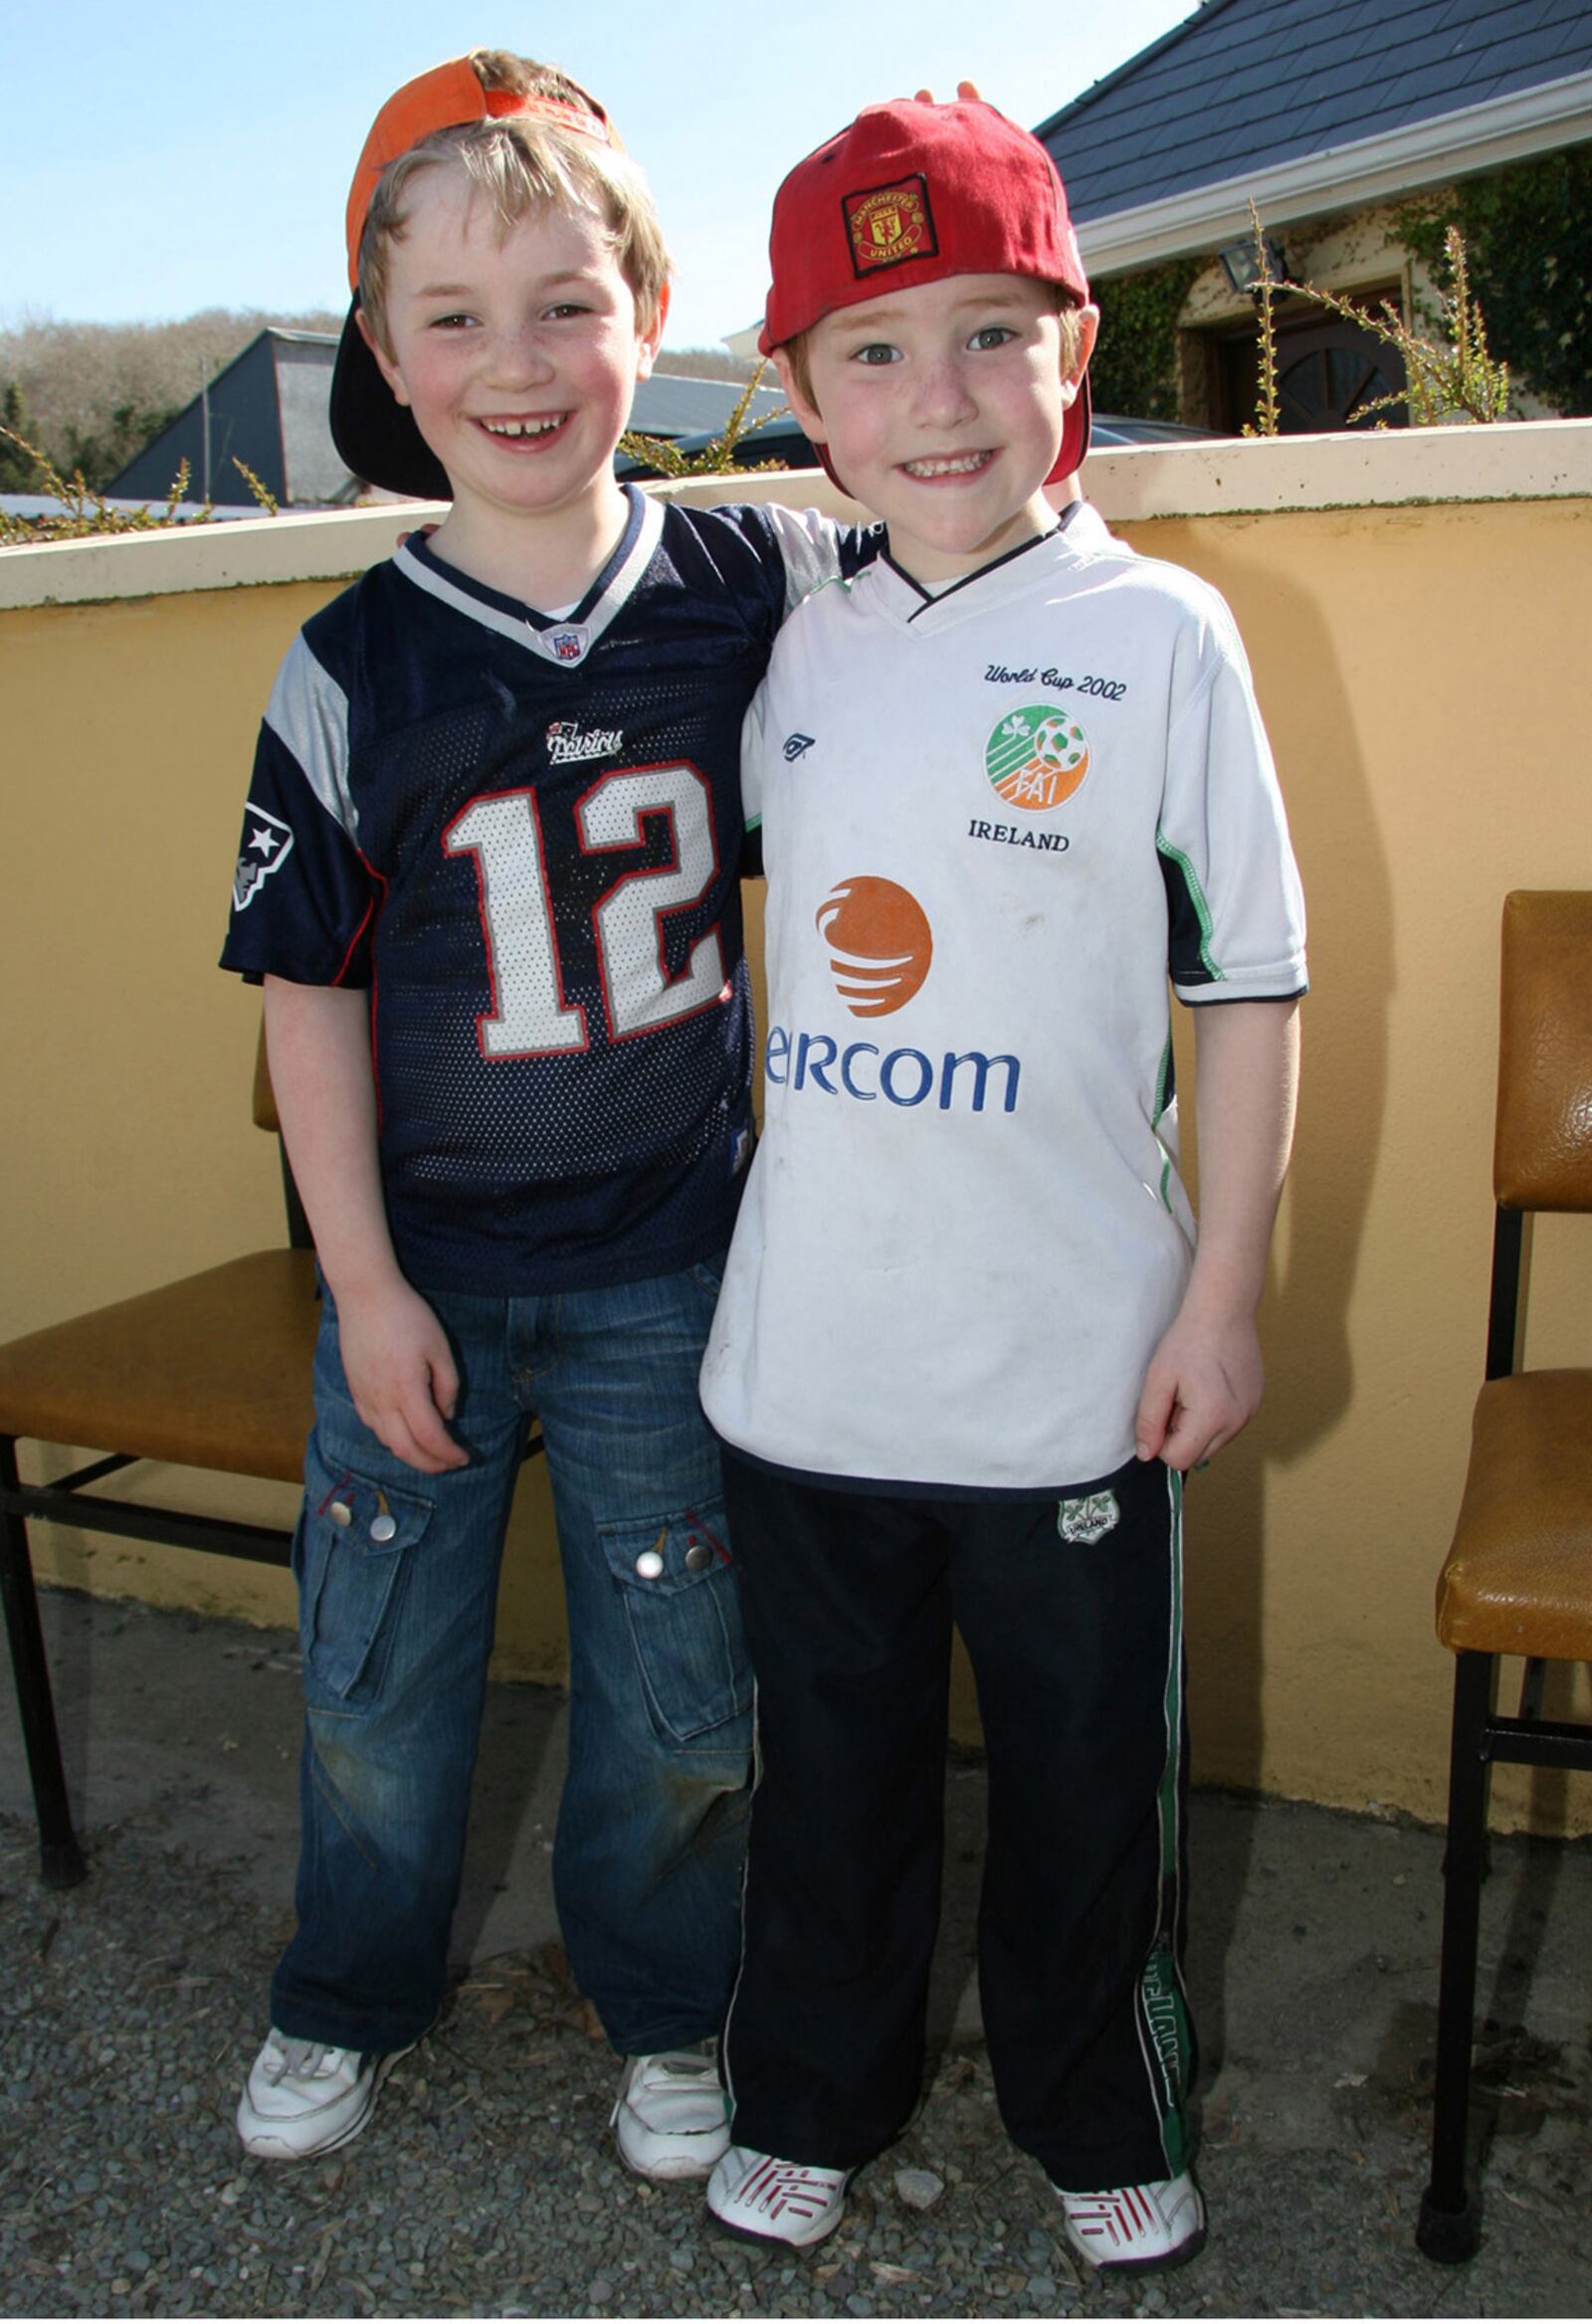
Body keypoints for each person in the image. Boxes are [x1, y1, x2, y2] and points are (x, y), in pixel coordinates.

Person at [219, 49, 871, 2178]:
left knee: (682, 1688)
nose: (518, 360)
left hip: (674, 1260)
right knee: (371, 1677)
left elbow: (972, 580)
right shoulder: (343, 663)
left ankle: (669, 2005)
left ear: (651, 319)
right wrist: (365, 1280)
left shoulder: (758, 584)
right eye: (456, 318)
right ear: (389, 366)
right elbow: (304, 993)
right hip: (420, 1276)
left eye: (567, 302)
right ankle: (350, 1983)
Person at [697, 97, 1306, 2273]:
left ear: (1073, 344)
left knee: (1076, 1791)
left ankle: (1094, 2102)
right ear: (794, 399)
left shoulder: (1164, 641)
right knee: (830, 1787)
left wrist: (1217, 1289)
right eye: (866, 351)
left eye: (982, 334)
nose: (930, 397)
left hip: (1069, 1367)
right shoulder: (781, 640)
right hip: (808, 1371)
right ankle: (809, 2093)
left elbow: (1247, 981)